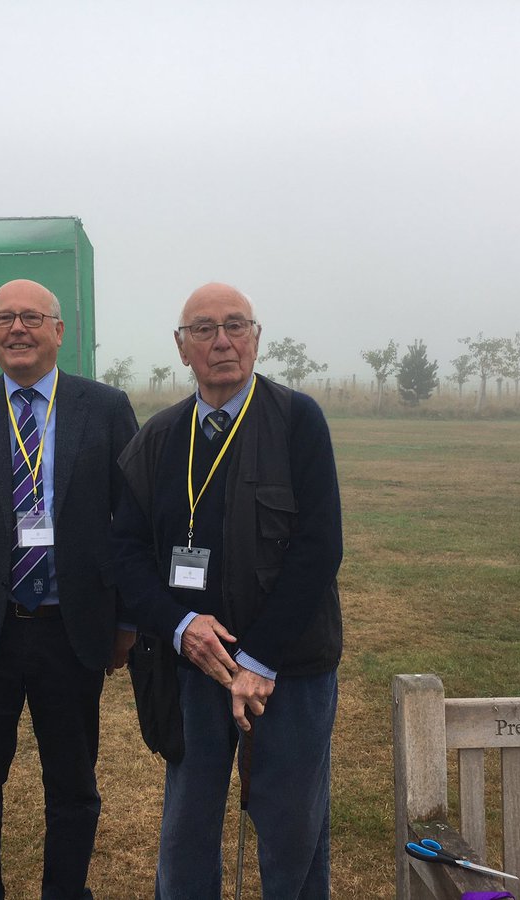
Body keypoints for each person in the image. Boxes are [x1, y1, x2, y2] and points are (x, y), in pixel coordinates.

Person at [112, 282, 343, 899]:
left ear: (257, 338)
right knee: (187, 830)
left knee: (292, 830)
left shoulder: (297, 421)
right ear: (182, 347)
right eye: (205, 329)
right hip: (193, 665)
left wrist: (259, 658)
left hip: (287, 670)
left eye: (236, 326)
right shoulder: (158, 439)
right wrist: (180, 626)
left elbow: (320, 549)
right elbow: (127, 553)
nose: (222, 341)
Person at [0, 278, 138, 900]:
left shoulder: (107, 407)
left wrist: (128, 623)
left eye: (32, 318)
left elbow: (135, 523)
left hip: (73, 631)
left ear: (58, 332)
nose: (19, 328)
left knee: (73, 787)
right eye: (5, 318)